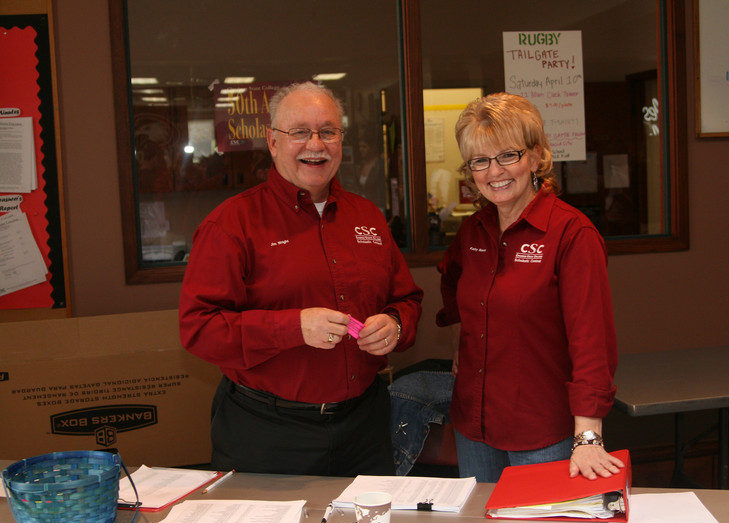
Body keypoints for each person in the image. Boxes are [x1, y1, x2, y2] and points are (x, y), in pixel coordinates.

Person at [179, 81, 423, 477]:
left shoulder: (367, 217)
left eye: (328, 131)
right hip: (268, 432)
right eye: (299, 132)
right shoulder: (231, 224)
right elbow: (198, 328)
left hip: (364, 427)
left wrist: (396, 325)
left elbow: (407, 299)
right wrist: (291, 327)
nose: (316, 144)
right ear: (273, 143)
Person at [436, 92, 624, 483]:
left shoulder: (571, 234)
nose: (494, 172)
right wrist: (459, 342)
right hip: (475, 426)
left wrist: (588, 436)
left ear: (536, 157)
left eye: (508, 155)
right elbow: (452, 283)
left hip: (543, 433)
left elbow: (592, 341)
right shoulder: (473, 231)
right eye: (480, 161)